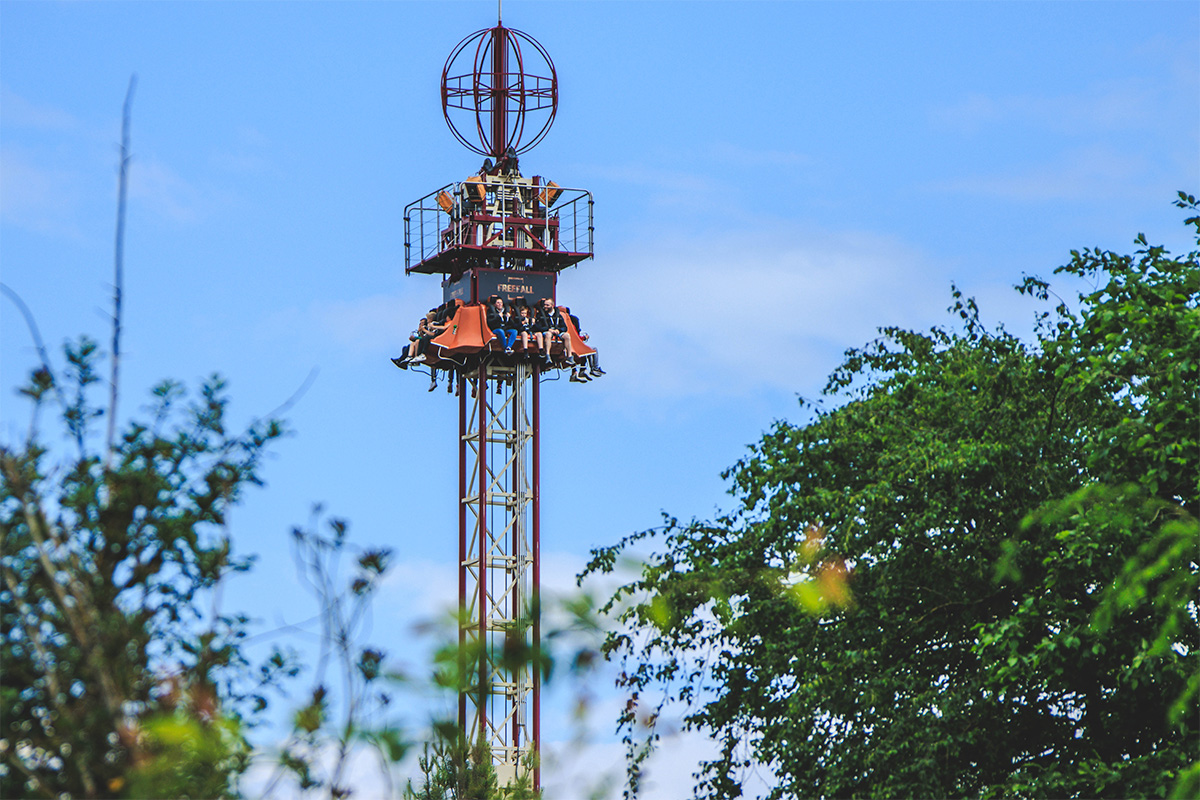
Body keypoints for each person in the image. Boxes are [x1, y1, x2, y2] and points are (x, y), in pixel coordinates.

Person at [565, 307, 604, 382]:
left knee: (583, 351)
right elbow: (575, 337)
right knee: (592, 350)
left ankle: (581, 370)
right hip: (574, 345)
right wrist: (584, 337)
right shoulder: (570, 325)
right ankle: (594, 368)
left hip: (571, 346)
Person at [534, 297, 574, 366]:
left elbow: (564, 327)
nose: (545, 307)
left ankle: (569, 356)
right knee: (548, 335)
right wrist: (548, 329)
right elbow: (538, 327)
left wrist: (558, 330)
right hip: (547, 331)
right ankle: (547, 355)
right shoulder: (541, 315)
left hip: (557, 332)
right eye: (544, 305)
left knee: (567, 335)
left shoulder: (558, 315)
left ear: (552, 306)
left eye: (547, 305)